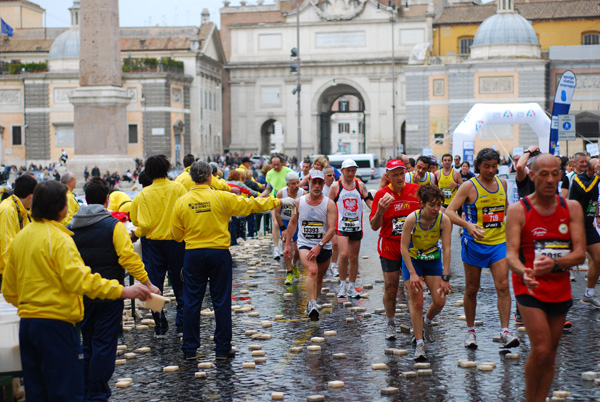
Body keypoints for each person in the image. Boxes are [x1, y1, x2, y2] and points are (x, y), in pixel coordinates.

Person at [1, 180, 151, 402]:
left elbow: (9, 290)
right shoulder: (60, 238)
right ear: (59, 208)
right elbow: (81, 281)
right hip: (57, 325)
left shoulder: (21, 237)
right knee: (66, 392)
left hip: (28, 325)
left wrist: (31, 304)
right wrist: (123, 291)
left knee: (37, 392)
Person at [172, 161, 295, 359]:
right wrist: (278, 202)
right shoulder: (221, 197)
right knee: (221, 300)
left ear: (193, 178)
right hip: (218, 253)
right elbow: (251, 205)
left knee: (192, 301)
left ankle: (189, 348)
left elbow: (176, 235)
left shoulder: (181, 201)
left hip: (193, 254)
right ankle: (222, 347)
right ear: (210, 177)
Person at [69, 177, 160, 402]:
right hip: (111, 293)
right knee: (104, 344)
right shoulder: (113, 226)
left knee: (87, 341)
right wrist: (147, 283)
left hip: (82, 294)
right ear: (107, 200)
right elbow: (129, 259)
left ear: (86, 199)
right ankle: (98, 394)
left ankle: (85, 388)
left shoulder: (70, 228)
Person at [505, 154, 585, 402]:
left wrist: (555, 264)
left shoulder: (571, 208)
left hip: (559, 287)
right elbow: (510, 256)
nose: (550, 179)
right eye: (543, 174)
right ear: (532, 175)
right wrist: (523, 271)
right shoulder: (519, 210)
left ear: (561, 174)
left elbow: (580, 254)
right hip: (529, 286)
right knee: (539, 348)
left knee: (550, 353)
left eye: (555, 173)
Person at [446, 148, 519, 349]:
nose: (491, 170)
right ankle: (470, 331)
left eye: (494, 166)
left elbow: (506, 210)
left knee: (503, 286)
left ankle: (505, 331)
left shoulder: (503, 183)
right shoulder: (469, 187)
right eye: (486, 166)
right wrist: (468, 225)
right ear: (478, 166)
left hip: (498, 243)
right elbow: (450, 212)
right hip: (474, 244)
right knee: (472, 289)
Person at [130, 155, 186, 338]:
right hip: (177, 242)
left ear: (149, 172)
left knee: (154, 284)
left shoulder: (143, 194)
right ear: (167, 169)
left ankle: (160, 324)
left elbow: (141, 224)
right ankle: (182, 324)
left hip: (153, 245)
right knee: (180, 282)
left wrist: (135, 234)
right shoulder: (178, 187)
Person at [370, 159, 420, 339]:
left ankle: (416, 327)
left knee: (411, 288)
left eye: (402, 173)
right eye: (395, 174)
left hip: (412, 246)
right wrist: (381, 211)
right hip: (390, 246)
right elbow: (374, 226)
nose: (399, 177)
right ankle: (390, 323)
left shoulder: (415, 190)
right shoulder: (381, 195)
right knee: (391, 287)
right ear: (388, 176)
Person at [400, 185, 452, 361]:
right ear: (422, 204)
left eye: (439, 204)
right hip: (413, 262)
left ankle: (427, 322)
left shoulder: (443, 220)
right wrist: (413, 274)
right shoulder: (411, 220)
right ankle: (419, 343)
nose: (436, 209)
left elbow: (446, 248)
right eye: (432, 205)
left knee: (440, 301)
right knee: (417, 302)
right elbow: (403, 248)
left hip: (432, 261)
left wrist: (445, 277)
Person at [284, 169, 336, 321]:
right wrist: (287, 245)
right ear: (309, 182)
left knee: (319, 277)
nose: (317, 185)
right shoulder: (298, 202)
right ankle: (313, 304)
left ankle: (312, 302)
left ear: (324, 183)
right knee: (312, 270)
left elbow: (332, 228)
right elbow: (292, 223)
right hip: (305, 244)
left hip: (324, 246)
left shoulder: (330, 204)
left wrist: (320, 244)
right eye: (314, 182)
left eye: (320, 182)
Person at [329, 159, 373, 298]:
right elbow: (329, 206)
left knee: (354, 257)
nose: (350, 173)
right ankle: (342, 285)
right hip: (341, 225)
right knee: (343, 255)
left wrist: (377, 211)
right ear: (342, 171)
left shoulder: (359, 185)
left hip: (356, 225)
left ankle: (352, 287)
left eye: (353, 170)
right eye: (348, 170)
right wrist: (329, 225)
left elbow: (369, 201)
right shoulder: (336, 186)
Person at [568, 157, 600, 308]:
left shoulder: (595, 179)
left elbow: (594, 200)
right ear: (589, 169)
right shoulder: (578, 179)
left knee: (598, 258)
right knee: (565, 261)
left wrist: (596, 216)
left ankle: (589, 294)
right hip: (573, 225)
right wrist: (597, 176)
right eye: (597, 167)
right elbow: (586, 189)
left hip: (587, 225)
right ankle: (557, 297)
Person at [0, 175, 37, 285]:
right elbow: (6, 248)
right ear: (30, 196)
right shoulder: (8, 211)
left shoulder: (21, 210)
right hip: (6, 274)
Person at [274, 172, 305, 285]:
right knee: (287, 248)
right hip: (285, 221)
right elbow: (277, 214)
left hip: (297, 221)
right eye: (293, 184)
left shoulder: (303, 193)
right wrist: (283, 229)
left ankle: (294, 264)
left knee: (297, 249)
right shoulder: (281, 193)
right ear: (287, 184)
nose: (296, 186)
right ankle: (289, 272)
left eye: (297, 183)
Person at [261, 155, 293, 260]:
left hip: (287, 200)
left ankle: (284, 244)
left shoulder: (288, 171)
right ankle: (276, 247)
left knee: (287, 224)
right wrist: (258, 197)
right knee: (275, 223)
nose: (275, 167)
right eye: (273, 164)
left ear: (282, 163)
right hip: (275, 200)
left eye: (277, 165)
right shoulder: (270, 174)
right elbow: (268, 189)